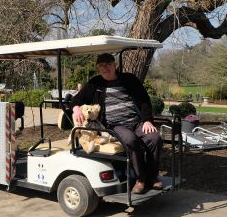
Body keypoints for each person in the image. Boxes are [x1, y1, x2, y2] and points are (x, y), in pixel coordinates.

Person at [70, 53, 163, 194]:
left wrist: (147, 120)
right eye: (101, 66)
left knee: (154, 138)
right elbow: (75, 100)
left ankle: (152, 176)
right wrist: (76, 108)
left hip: (137, 122)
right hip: (114, 125)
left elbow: (144, 100)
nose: (104, 68)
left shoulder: (129, 80)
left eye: (108, 65)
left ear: (115, 65)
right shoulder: (95, 84)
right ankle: (140, 179)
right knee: (130, 140)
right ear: (98, 68)